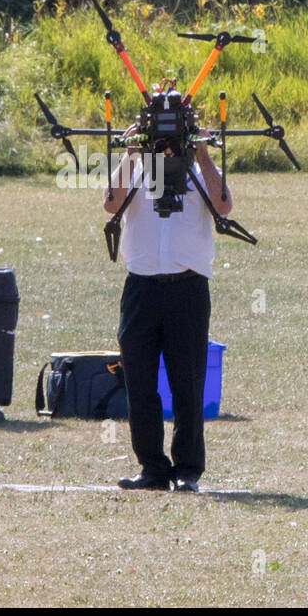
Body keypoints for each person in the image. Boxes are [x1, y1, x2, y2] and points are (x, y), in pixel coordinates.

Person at [103, 123, 230, 492]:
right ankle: (152, 468)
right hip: (142, 286)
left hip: (187, 287)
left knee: (187, 381)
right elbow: (111, 203)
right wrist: (131, 152)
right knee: (139, 380)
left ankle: (188, 468)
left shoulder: (199, 171)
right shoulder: (139, 166)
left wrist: (203, 153)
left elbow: (223, 205)